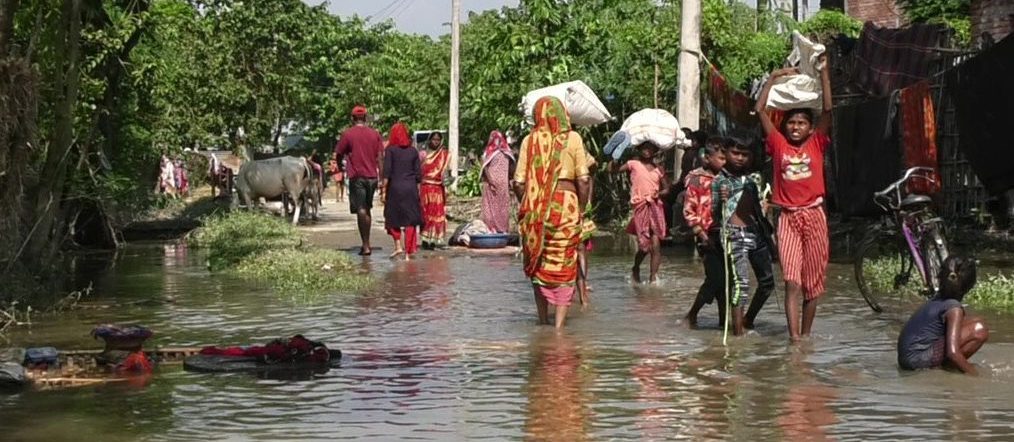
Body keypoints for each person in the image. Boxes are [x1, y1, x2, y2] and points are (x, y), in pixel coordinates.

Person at [756, 54, 833, 341]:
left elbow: (827, 109)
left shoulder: (816, 143)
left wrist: (824, 74)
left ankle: (806, 335)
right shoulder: (777, 144)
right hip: (787, 217)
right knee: (791, 281)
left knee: (813, 284)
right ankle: (794, 339)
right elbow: (760, 109)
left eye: (801, 123)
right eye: (791, 123)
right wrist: (774, 77)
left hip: (814, 216)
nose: (796, 127)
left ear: (810, 129)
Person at [513, 96, 591, 329]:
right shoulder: (574, 138)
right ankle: (559, 328)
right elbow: (584, 179)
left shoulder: (530, 140)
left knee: (539, 261)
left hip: (536, 209)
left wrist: (529, 205)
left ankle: (542, 319)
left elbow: (518, 182)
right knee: (565, 260)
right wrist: (581, 209)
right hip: (566, 206)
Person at [712, 135, 776, 336]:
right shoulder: (719, 181)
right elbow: (714, 214)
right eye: (735, 153)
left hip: (756, 233)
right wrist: (721, 201)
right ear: (726, 153)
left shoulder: (753, 179)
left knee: (767, 283)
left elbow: (760, 206)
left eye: (744, 154)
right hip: (733, 234)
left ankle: (748, 320)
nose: (740, 158)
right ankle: (737, 333)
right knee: (741, 284)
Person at [897, 256, 988, 375]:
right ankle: (946, 368)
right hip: (917, 362)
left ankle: (946, 365)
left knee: (974, 321)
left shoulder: (937, 299)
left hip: (906, 359)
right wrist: (976, 376)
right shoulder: (954, 308)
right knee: (979, 329)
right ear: (970, 285)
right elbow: (953, 353)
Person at [610, 142, 670, 284]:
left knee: (656, 244)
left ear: (655, 151)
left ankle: (653, 277)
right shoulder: (633, 164)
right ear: (639, 150)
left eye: (650, 149)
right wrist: (615, 157)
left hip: (655, 206)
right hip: (640, 207)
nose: (647, 151)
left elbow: (667, 188)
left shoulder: (658, 169)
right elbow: (613, 170)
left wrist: (659, 194)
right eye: (644, 148)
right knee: (644, 246)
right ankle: (636, 267)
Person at [683, 137, 727, 327]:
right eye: (721, 158)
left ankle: (723, 322)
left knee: (725, 283)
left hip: (727, 236)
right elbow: (689, 211)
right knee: (715, 278)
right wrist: (701, 234)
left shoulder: (727, 178)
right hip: (706, 237)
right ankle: (692, 314)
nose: (724, 162)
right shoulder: (696, 180)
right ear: (707, 158)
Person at [335, 105, 385, 256]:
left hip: (357, 177)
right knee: (367, 208)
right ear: (365, 118)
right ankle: (367, 242)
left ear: (352, 118)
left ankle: (365, 245)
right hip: (372, 177)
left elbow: (338, 153)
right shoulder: (375, 134)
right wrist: (381, 177)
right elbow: (380, 158)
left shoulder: (348, 134)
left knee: (361, 209)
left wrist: (340, 168)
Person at [381, 122, 423, 260]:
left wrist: (383, 190)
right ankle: (408, 252)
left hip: (395, 188)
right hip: (410, 188)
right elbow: (418, 175)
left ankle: (398, 246)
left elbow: (386, 172)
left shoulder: (390, 150)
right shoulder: (413, 151)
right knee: (410, 220)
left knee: (392, 218)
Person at [480, 130, 515, 233]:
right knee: (501, 207)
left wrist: (490, 181)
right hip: (501, 184)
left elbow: (484, 168)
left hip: (494, 185)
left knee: (493, 208)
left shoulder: (489, 152)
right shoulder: (507, 152)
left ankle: (493, 229)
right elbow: (512, 167)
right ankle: (501, 229)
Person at [420, 132, 450, 249]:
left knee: (436, 214)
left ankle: (433, 240)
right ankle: (424, 239)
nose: (436, 142)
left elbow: (447, 174)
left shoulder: (444, 155)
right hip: (425, 188)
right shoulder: (423, 154)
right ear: (429, 140)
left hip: (438, 189)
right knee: (425, 214)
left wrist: (447, 182)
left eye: (438, 140)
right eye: (434, 139)